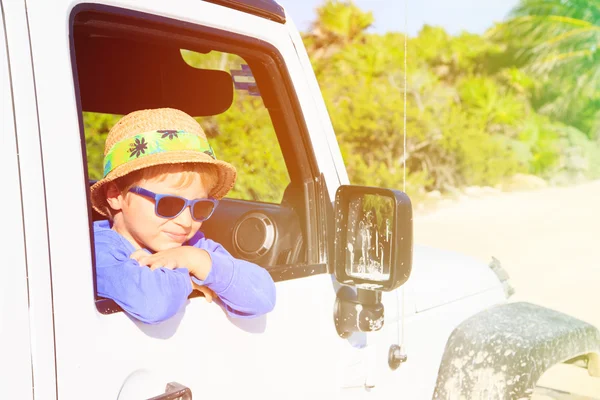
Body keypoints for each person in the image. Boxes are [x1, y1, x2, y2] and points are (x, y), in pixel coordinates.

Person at [90, 108, 276, 324]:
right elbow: (153, 302)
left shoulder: (193, 247)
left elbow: (262, 295)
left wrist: (195, 260)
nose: (186, 222)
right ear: (115, 195)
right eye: (169, 204)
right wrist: (190, 280)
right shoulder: (97, 252)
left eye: (200, 207)